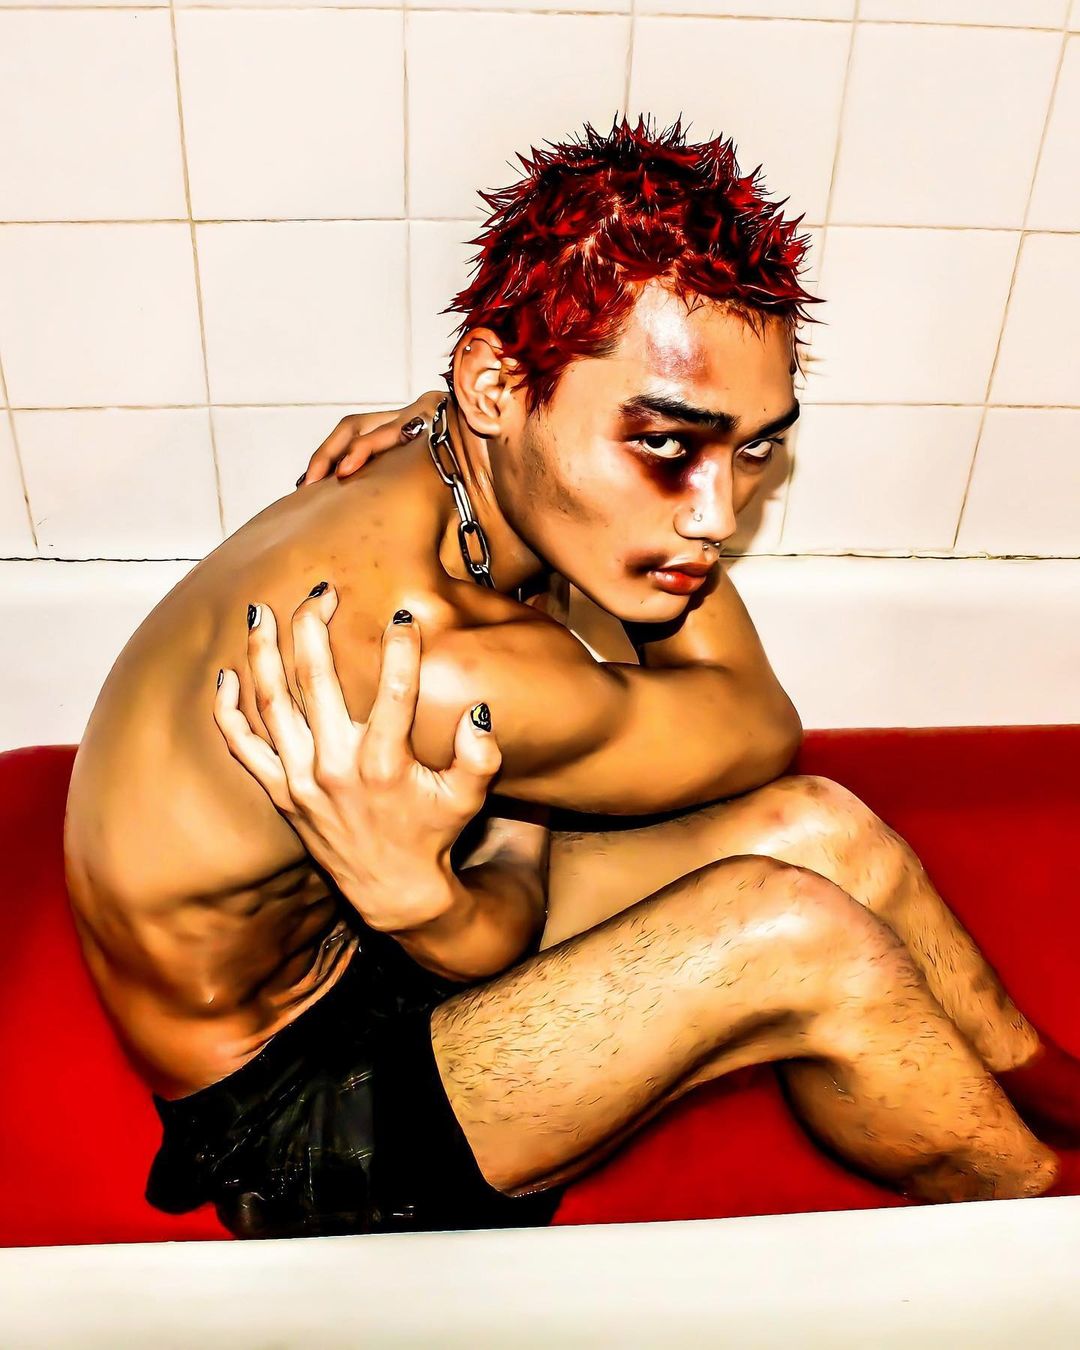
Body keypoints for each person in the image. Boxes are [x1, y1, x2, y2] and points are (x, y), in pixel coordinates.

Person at [64, 116, 1080, 1240]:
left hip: (380, 933)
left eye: (752, 446)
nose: (718, 513)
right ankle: (1045, 1240)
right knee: (797, 933)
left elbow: (509, 892)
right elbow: (754, 723)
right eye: (669, 444)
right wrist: (441, 909)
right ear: (495, 384)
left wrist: (440, 906)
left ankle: (1058, 1090)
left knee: (821, 831)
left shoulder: (442, 469)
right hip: (295, 1117)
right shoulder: (436, 659)